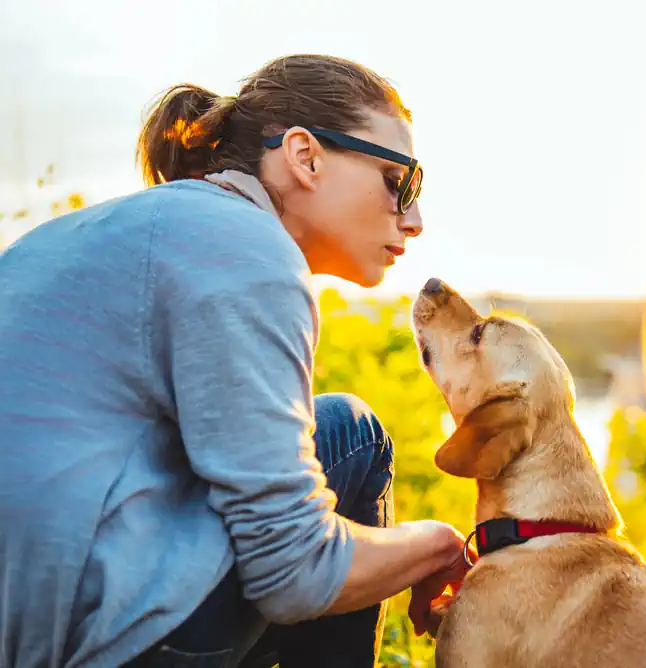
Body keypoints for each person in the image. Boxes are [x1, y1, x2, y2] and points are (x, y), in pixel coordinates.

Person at [0, 54, 471, 668]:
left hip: (38, 610)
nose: (413, 220)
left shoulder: (111, 229)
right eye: (398, 180)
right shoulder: (251, 252)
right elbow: (296, 571)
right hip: (83, 645)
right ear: (305, 157)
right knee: (352, 434)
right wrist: (436, 546)